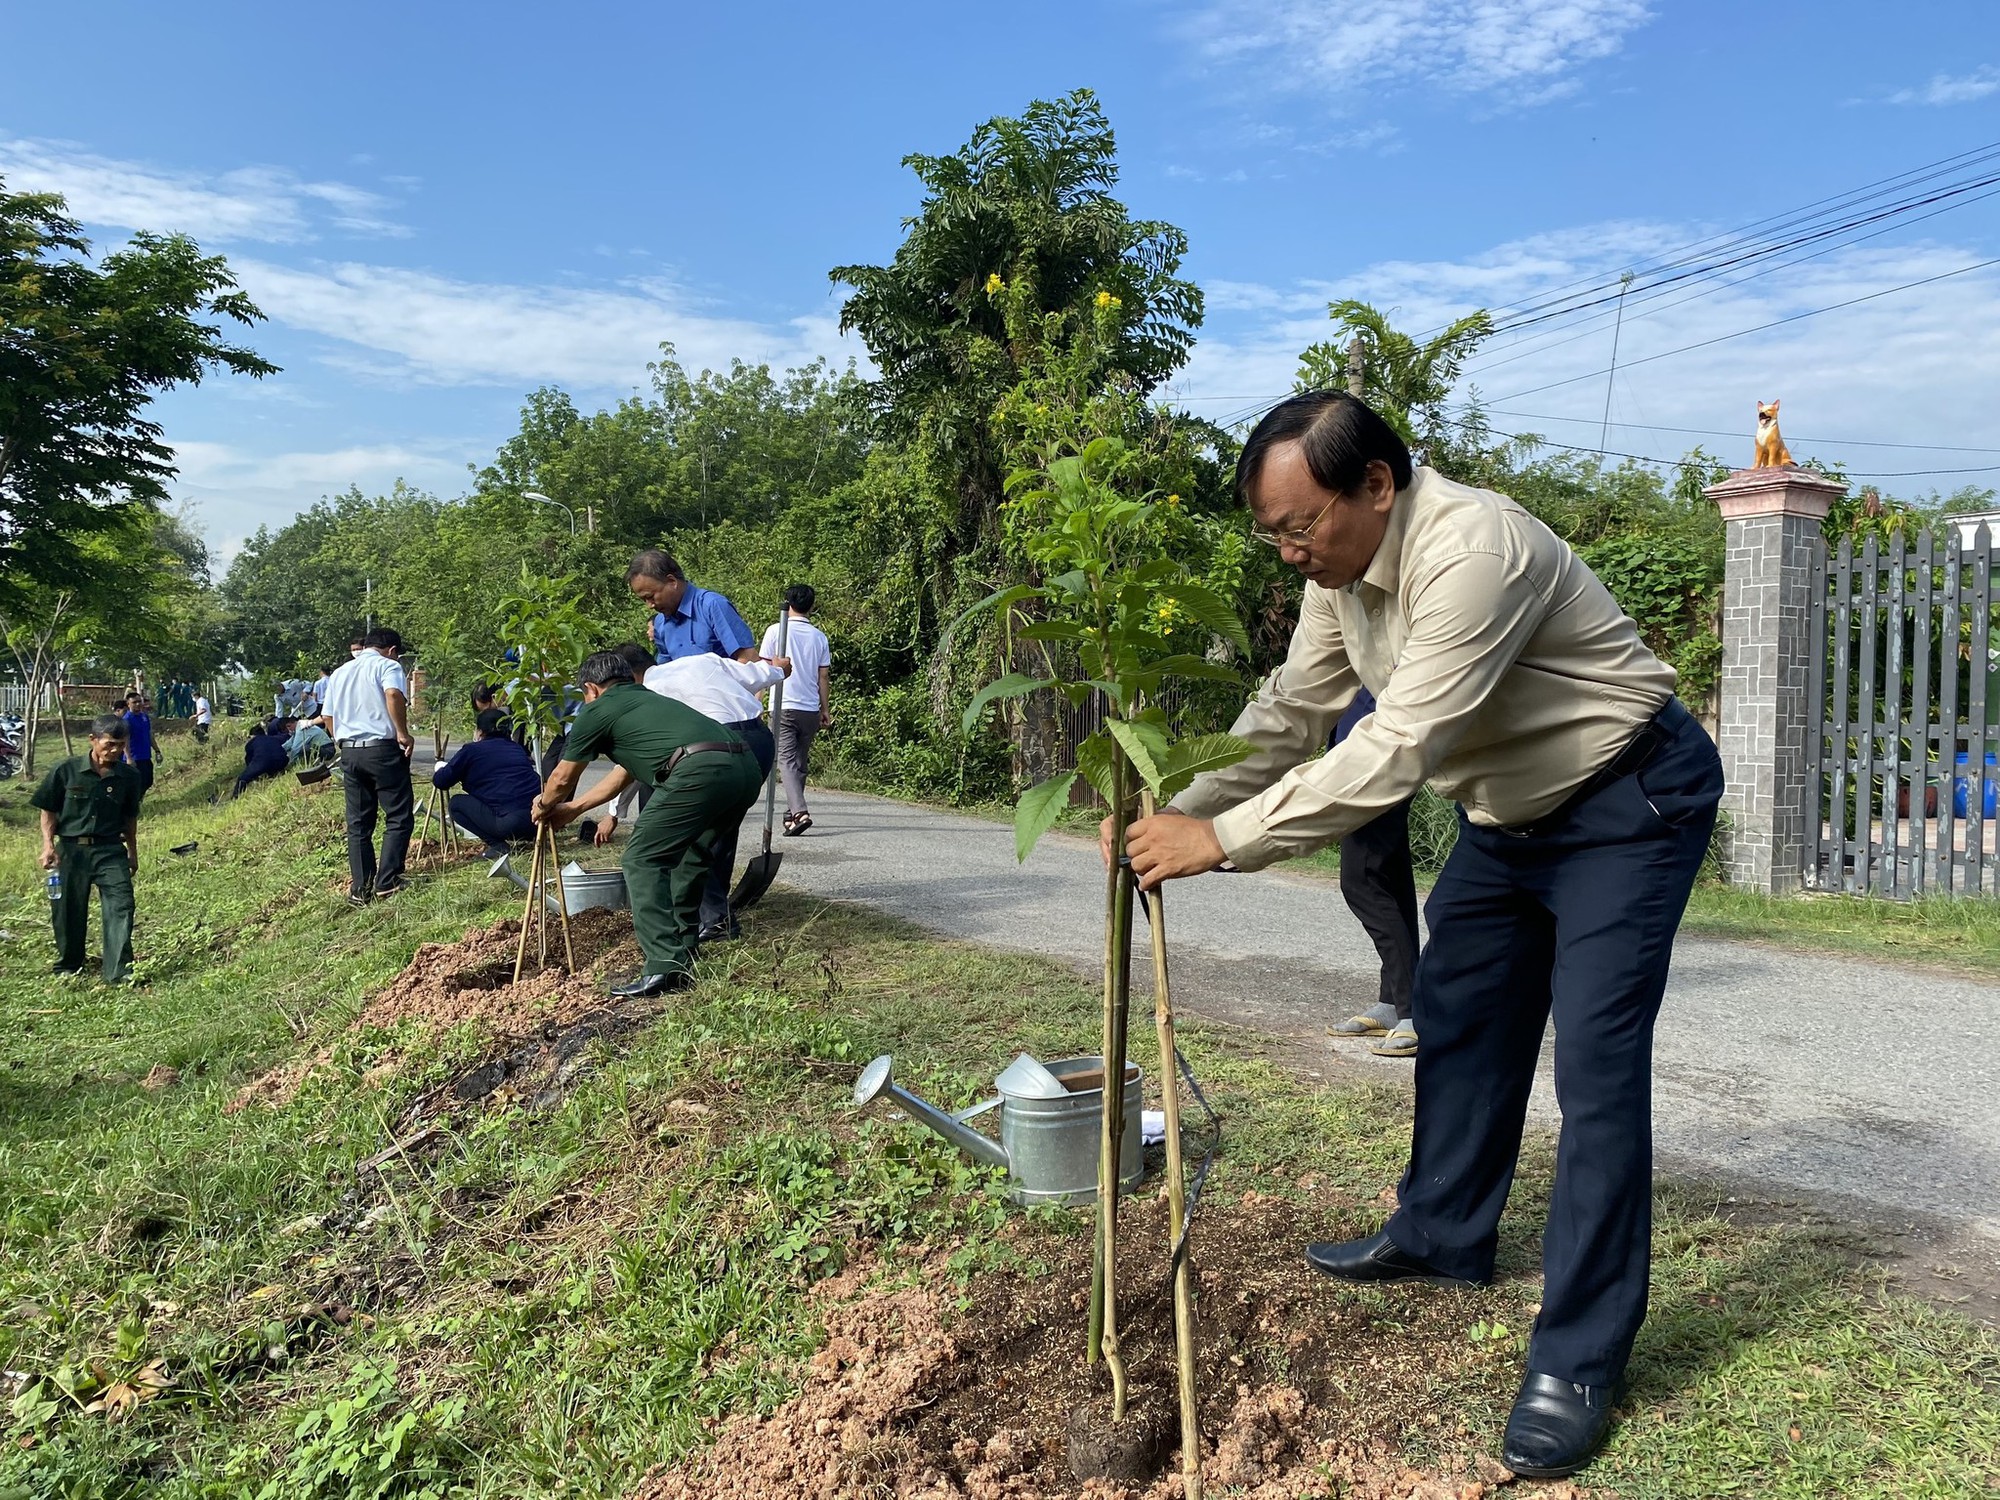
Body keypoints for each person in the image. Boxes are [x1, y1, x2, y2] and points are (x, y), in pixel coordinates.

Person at [1109, 392, 1721, 1480]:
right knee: (1458, 1016)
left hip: (1625, 799)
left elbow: (1397, 747)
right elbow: (1292, 710)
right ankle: (1440, 1229)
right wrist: (1179, 805)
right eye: (1274, 535)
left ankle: (1577, 1358)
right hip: (1504, 813)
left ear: (1377, 487)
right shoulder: (1337, 582)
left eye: (1302, 525)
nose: (1292, 551)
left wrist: (1223, 841)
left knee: (1594, 1070)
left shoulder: (1471, 548)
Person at [533, 651, 763, 997]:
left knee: (641, 858)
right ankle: (683, 951)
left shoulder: (596, 711)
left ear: (591, 689)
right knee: (691, 856)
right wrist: (576, 809)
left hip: (698, 770)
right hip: (743, 766)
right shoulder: (649, 701)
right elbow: (623, 773)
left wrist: (545, 804)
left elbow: (563, 777)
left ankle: (663, 966)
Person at [629, 641, 784, 941]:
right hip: (757, 741)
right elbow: (762, 674)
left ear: (629, 676)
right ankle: (714, 913)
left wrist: (611, 811)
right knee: (721, 830)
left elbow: (632, 765)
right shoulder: (701, 662)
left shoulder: (646, 694)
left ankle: (712, 917)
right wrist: (781, 668)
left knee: (691, 832)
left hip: (717, 748)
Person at [1323, 688, 1421, 1058]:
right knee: (1388, 875)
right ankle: (1394, 1002)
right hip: (1368, 750)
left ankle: (1413, 1010)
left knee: (1361, 880)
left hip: (1378, 756)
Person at [33, 714, 143, 983]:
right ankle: (69, 967)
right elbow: (48, 811)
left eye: (121, 744)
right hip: (71, 851)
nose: (115, 750)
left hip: (110, 851)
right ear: (93, 740)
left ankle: (118, 972)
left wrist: (132, 852)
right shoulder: (66, 770)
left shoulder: (128, 776)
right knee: (68, 910)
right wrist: (48, 846)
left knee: (121, 906)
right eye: (109, 744)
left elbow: (130, 818)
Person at [319, 626, 416, 905]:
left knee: (359, 823)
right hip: (382, 750)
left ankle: (361, 888)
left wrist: (341, 740)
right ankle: (388, 881)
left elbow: (327, 716)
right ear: (393, 651)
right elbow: (394, 696)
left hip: (350, 752)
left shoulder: (340, 673)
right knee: (398, 815)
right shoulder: (387, 666)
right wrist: (402, 733)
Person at [760, 584, 832, 838]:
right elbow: (823, 676)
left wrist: (756, 703)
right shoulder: (819, 636)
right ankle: (791, 817)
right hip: (810, 707)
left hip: (784, 704)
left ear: (787, 602)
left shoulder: (775, 630)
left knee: (787, 761)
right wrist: (825, 709)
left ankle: (800, 812)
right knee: (799, 763)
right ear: (812, 606)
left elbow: (764, 670)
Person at [433, 707, 542, 858]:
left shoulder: (471, 750)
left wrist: (440, 767)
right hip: (538, 820)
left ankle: (498, 845)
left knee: (456, 804)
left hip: (509, 824)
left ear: (479, 731)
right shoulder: (517, 748)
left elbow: (441, 781)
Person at [627, 550, 759, 666]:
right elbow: (666, 672)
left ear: (672, 582)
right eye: (643, 600)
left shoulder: (712, 606)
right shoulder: (661, 624)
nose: (649, 605)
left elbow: (748, 660)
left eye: (651, 596)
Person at [233, 717, 291, 797]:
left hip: (263, 763)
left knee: (242, 778)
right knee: (270, 766)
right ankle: (274, 774)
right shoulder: (273, 738)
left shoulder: (251, 743)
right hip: (282, 761)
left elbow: (249, 760)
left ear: (253, 736)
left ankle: (236, 797)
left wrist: (252, 774)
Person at [121, 693, 157, 796]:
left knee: (148, 781)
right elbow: (125, 740)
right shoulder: (127, 720)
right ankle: (133, 803)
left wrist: (157, 750)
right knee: (136, 782)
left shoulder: (144, 717)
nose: (137, 704)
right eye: (134, 702)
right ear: (128, 704)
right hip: (134, 757)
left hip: (145, 755)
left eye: (139, 701)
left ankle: (138, 799)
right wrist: (128, 758)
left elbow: (149, 734)